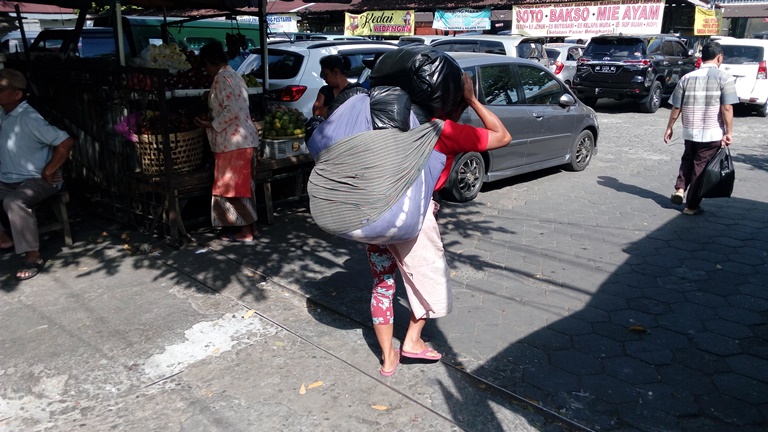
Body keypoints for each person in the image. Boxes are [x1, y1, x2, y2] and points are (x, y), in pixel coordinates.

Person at [371, 73, 511, 376]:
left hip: (377, 214)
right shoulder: (443, 130)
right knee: (429, 278)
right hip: (414, 219)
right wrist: (472, 99)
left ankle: (387, 358)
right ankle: (412, 341)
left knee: (383, 285)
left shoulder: (392, 120)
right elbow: (502, 135)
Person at [0, 68, 74, 280]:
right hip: (8, 178)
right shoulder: (4, 114)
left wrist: (49, 169)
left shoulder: (29, 117)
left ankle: (33, 256)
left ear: (17, 94)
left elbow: (65, 141)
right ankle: (3, 238)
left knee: (14, 202)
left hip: (37, 180)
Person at [194, 41, 260, 242]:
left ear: (208, 62)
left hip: (232, 143)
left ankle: (245, 232)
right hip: (243, 140)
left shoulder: (221, 79)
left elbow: (231, 110)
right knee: (244, 187)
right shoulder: (235, 75)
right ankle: (250, 228)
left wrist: (210, 124)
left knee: (235, 188)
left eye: (204, 66)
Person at [663, 41, 737, 215]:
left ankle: (680, 188)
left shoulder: (686, 78)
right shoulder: (725, 78)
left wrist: (669, 127)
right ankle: (691, 206)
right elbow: (727, 108)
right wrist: (728, 132)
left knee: (688, 159)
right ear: (719, 57)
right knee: (700, 166)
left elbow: (676, 107)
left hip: (689, 129)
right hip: (711, 133)